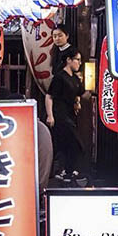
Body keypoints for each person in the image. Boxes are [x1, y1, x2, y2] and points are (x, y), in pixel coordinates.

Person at [45, 50, 90, 184]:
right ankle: (68, 171)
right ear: (68, 60)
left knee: (67, 145)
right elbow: (49, 96)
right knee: (77, 144)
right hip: (60, 115)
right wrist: (50, 115)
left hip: (71, 115)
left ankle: (67, 172)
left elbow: (81, 94)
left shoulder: (75, 78)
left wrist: (80, 100)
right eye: (77, 60)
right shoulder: (60, 77)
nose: (79, 63)